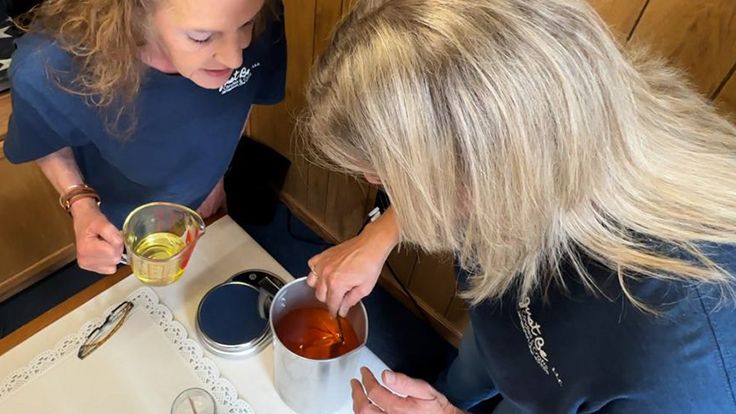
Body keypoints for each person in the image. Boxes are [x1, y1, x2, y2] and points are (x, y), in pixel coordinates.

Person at [302, 0, 736, 412]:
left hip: (554, 384)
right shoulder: (549, 117)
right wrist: (378, 235)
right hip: (507, 327)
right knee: (472, 371)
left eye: (391, 179)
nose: (381, 189)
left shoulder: (678, 365)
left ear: (485, 169)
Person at [3, 0, 286, 274]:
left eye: (246, 24)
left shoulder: (256, 12)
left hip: (208, 203)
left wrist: (215, 179)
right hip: (121, 222)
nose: (234, 58)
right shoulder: (48, 67)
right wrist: (81, 203)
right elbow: (43, 138)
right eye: (202, 37)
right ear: (136, 8)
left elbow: (242, 99)